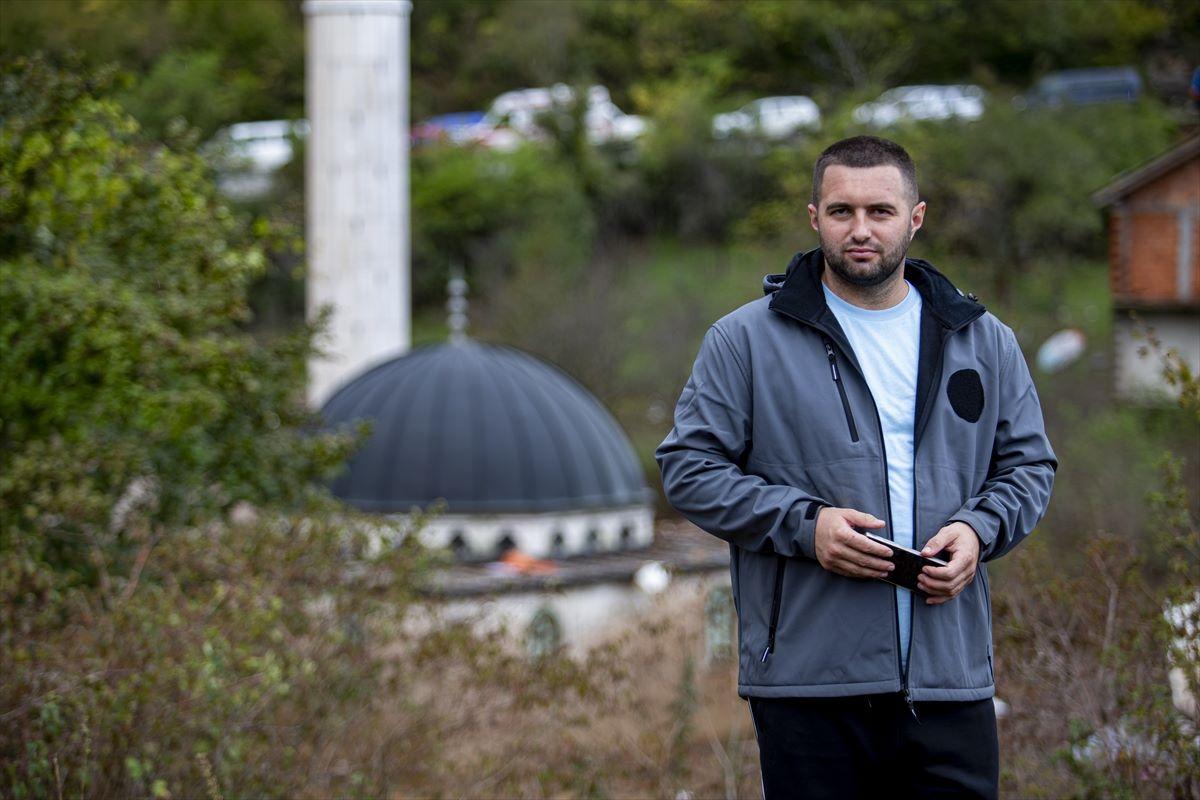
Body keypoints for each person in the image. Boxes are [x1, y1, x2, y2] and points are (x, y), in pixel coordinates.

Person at [656, 135, 1056, 799]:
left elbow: (1028, 467)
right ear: (815, 218)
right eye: (841, 212)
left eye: (881, 211)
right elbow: (689, 468)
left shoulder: (984, 340)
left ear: (916, 218)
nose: (861, 230)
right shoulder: (745, 341)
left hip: (950, 682)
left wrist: (980, 529)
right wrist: (803, 526)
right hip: (810, 686)